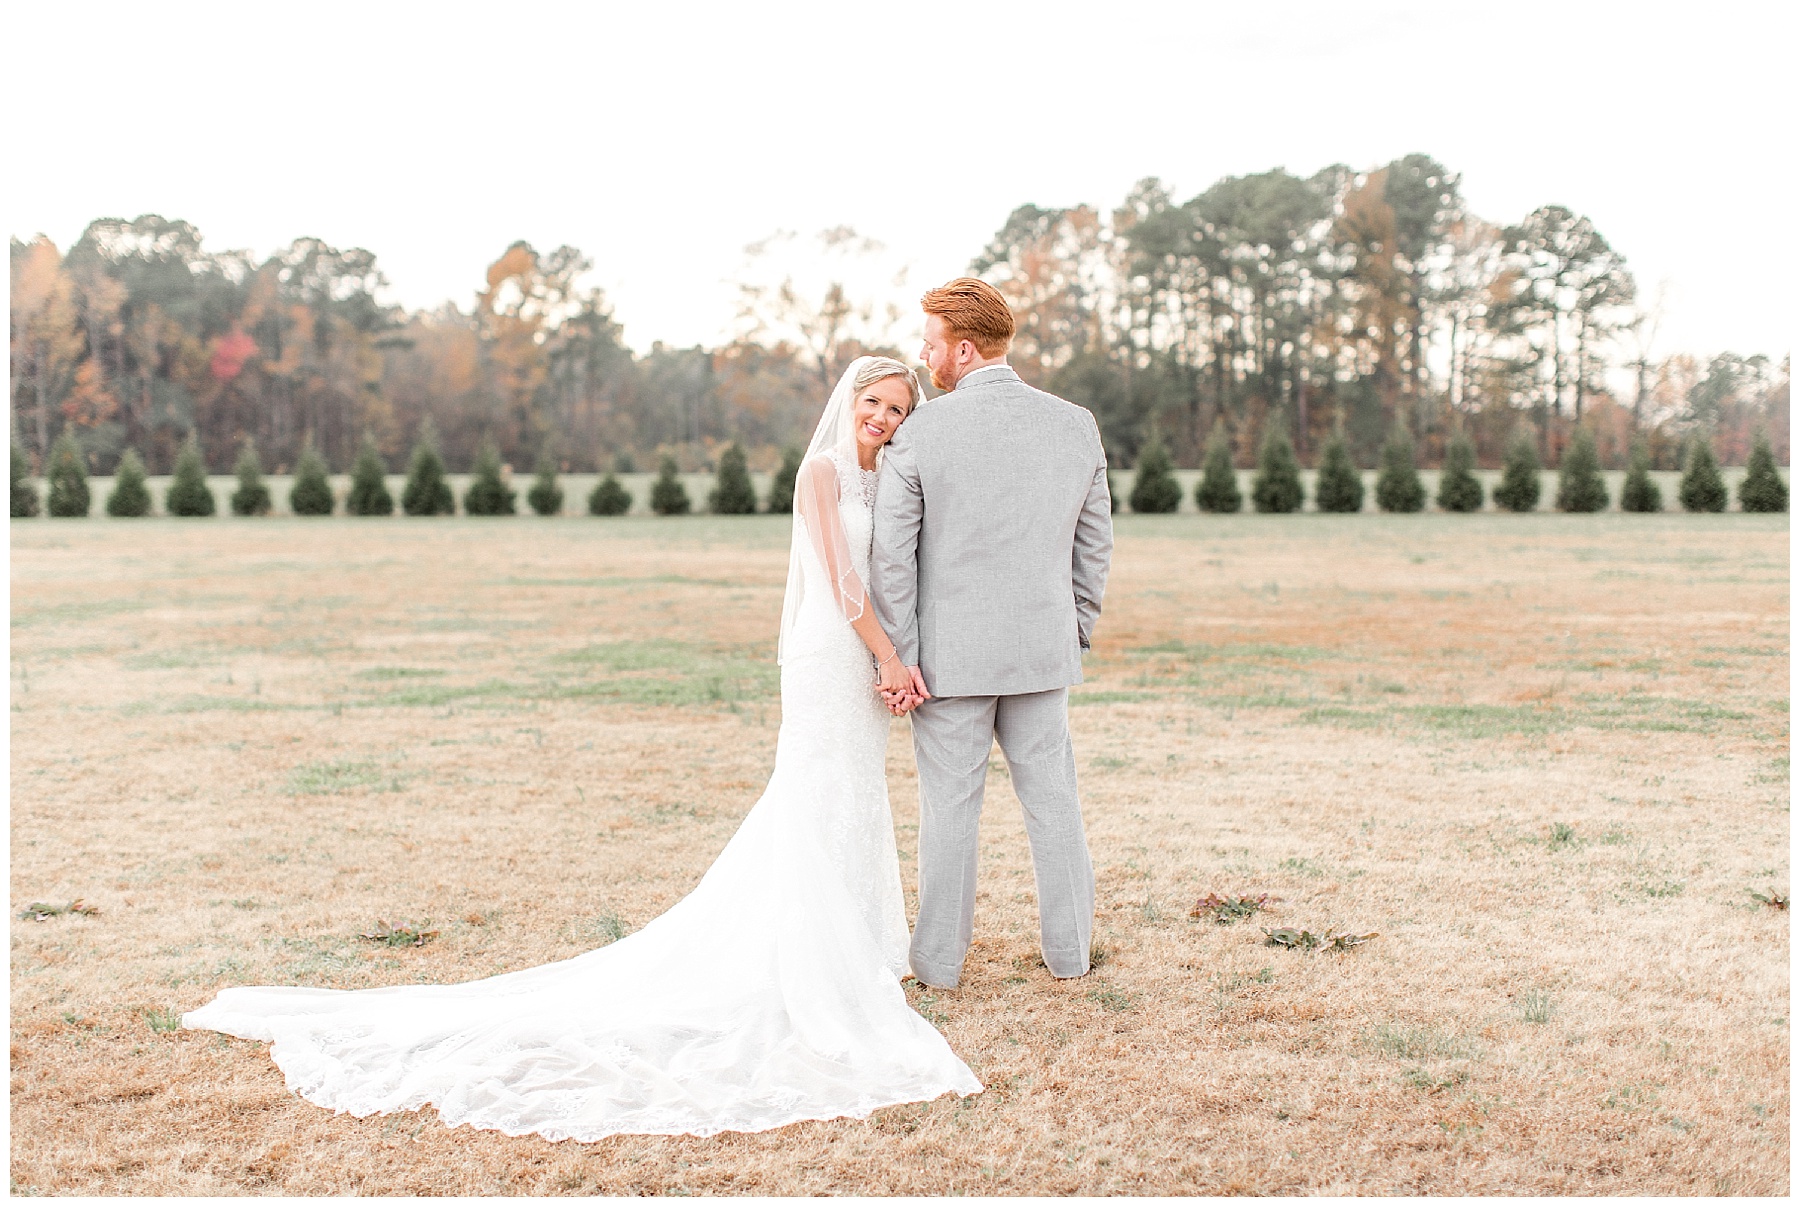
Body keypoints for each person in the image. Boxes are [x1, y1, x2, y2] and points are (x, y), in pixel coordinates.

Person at [182, 355, 981, 1143]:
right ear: (849, 401)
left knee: (851, 791)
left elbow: (892, 576)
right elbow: (842, 585)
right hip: (831, 653)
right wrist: (886, 655)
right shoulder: (824, 474)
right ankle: (805, 955)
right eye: (873, 402)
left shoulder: (888, 478)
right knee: (815, 791)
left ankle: (858, 945)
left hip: (870, 658)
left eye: (897, 410)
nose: (882, 418)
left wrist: (898, 654)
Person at [870, 277, 1114, 990]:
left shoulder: (920, 433)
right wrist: (1076, 630)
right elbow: (1093, 544)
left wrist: (903, 656)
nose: (924, 355)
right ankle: (1070, 956)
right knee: (1055, 803)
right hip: (1043, 648)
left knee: (949, 811)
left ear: (965, 349)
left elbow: (893, 559)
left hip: (947, 661)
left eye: (931, 342)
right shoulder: (1076, 424)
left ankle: (939, 966)